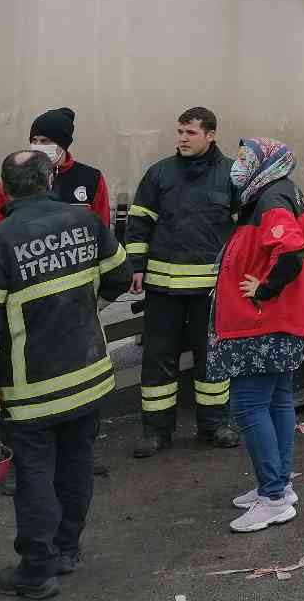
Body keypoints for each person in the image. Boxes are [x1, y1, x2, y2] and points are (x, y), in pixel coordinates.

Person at [0, 149, 132, 598]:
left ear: (5, 187)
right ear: (50, 179)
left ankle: (37, 570)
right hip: (89, 375)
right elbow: (120, 277)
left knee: (35, 476)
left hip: (33, 389)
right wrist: (86, 310)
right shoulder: (85, 222)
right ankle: (66, 549)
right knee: (76, 466)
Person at [204, 139, 304, 534]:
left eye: (243, 159)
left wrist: (265, 288)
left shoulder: (272, 199)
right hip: (278, 322)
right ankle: (278, 487)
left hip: (264, 324)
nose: (236, 166)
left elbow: (290, 251)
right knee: (277, 400)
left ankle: (272, 497)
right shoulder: (276, 192)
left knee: (249, 406)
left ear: (264, 163)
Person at [126, 107, 240, 456]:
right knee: (159, 359)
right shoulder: (160, 174)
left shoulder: (231, 176)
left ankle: (214, 425)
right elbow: (138, 222)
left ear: (210, 135)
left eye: (190, 133)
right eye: (180, 132)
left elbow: (244, 231)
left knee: (212, 359)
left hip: (209, 290)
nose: (182, 139)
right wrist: (135, 265)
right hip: (163, 290)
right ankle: (156, 432)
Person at [0, 108, 111, 231]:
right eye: (34, 140)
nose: (38, 146)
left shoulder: (91, 178)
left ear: (62, 144)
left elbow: (102, 228)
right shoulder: (14, 176)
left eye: (45, 141)